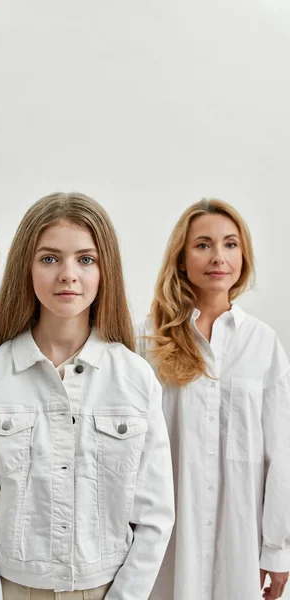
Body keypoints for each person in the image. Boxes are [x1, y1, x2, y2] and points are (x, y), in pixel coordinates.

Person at [0, 192, 175, 600]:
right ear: (26, 267)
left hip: (106, 589)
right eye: (50, 258)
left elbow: (155, 516)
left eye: (85, 259)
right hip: (13, 589)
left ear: (105, 269)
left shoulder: (135, 378)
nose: (68, 274)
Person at [137, 198, 290, 600]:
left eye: (230, 244)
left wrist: (277, 550)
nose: (218, 256)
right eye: (203, 244)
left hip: (237, 547)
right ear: (182, 259)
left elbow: (280, 451)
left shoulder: (263, 344)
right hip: (163, 545)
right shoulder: (147, 340)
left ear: (244, 255)